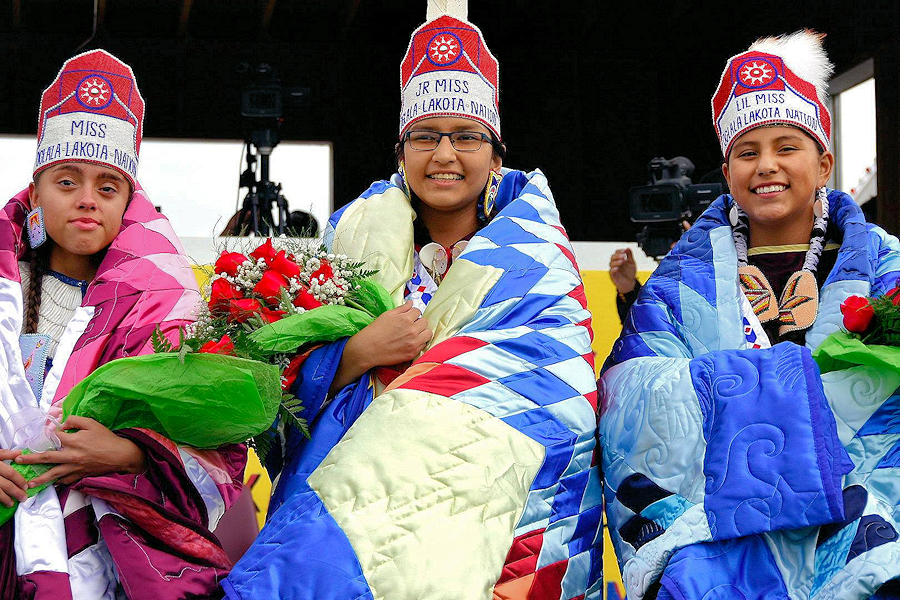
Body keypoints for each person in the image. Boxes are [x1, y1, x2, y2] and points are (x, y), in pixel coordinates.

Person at [225, 12, 602, 599]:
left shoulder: (541, 262)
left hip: (496, 511)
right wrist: (353, 355)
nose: (444, 155)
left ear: (495, 153)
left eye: (466, 137)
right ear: (401, 151)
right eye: (425, 136)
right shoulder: (345, 246)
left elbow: (564, 407)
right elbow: (274, 399)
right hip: (361, 511)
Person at [600, 31, 900, 598]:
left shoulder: (885, 264)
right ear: (728, 167)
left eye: (787, 147)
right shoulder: (679, 281)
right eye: (746, 151)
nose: (767, 166)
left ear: (824, 160)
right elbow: (629, 397)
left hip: (860, 518)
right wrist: (791, 373)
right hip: (714, 540)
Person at [0, 50, 246, 599]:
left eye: (107, 187)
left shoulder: (163, 305)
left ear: (129, 201)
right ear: (35, 192)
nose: (87, 200)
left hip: (101, 562)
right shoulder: (5, 293)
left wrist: (127, 454)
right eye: (67, 181)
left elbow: (216, 442)